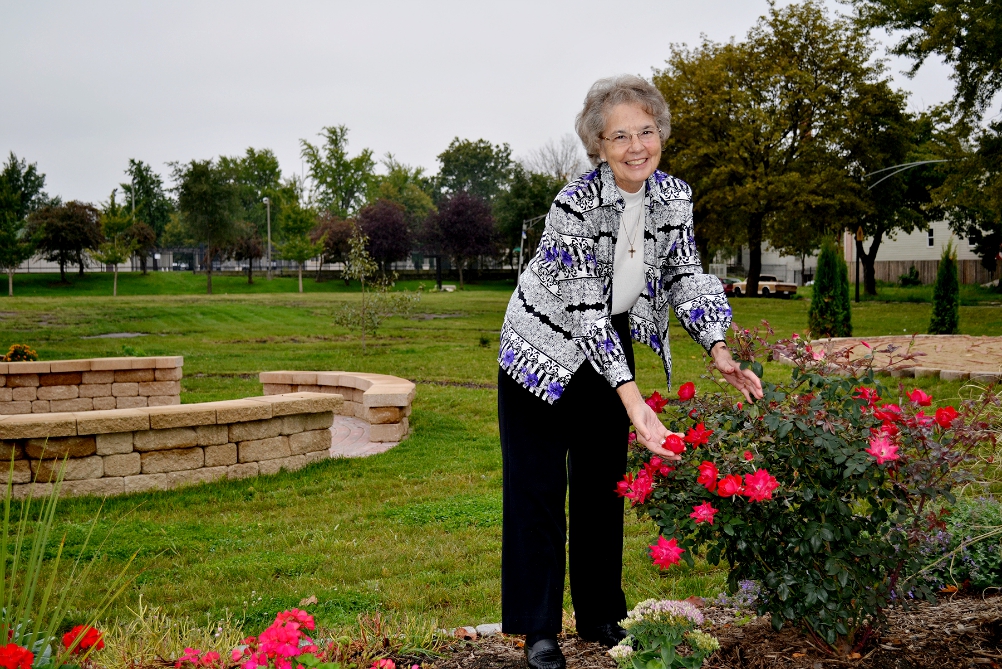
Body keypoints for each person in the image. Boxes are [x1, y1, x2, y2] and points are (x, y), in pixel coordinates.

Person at [496, 74, 763, 669]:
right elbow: (586, 306)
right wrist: (634, 401)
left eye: (647, 131)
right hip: (543, 346)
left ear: (660, 133)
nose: (637, 146)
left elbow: (686, 275)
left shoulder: (673, 196)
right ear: (597, 144)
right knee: (538, 493)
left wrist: (718, 348)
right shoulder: (574, 203)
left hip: (607, 341)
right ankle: (538, 630)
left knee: (601, 487)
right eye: (621, 136)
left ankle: (598, 616)